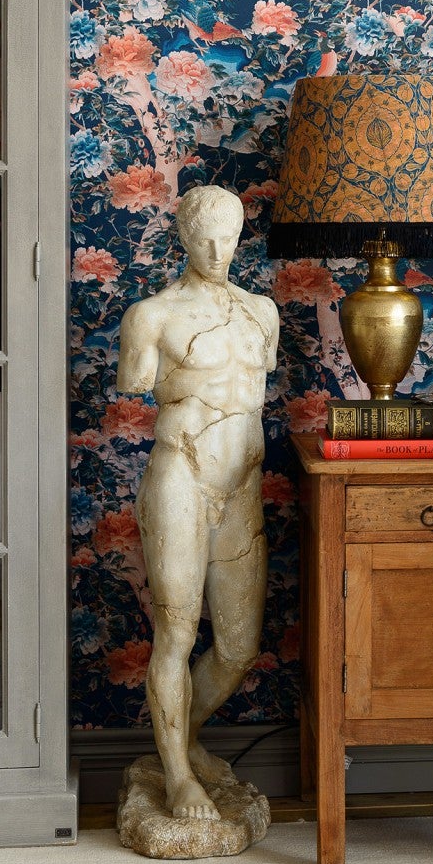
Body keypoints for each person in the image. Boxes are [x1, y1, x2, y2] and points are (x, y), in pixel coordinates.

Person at [116, 185, 279, 821]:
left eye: (228, 237)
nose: (217, 251)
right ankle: (179, 777)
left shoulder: (262, 312)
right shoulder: (151, 316)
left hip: (242, 485)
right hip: (179, 478)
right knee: (177, 632)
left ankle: (180, 742)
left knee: (237, 648)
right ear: (183, 237)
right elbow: (134, 384)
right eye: (204, 238)